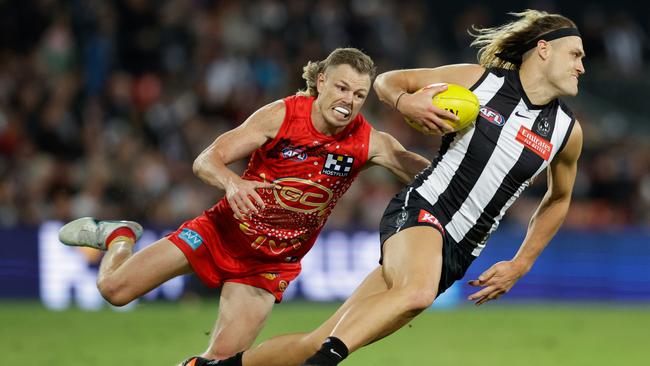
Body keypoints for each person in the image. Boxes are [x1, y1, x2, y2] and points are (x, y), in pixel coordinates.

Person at [205, 9, 585, 366]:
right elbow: (389, 81)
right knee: (416, 295)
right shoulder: (479, 81)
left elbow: (559, 198)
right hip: (423, 209)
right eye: (575, 55)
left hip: (460, 250)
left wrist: (521, 264)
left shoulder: (567, 134)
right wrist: (407, 102)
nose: (581, 67)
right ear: (544, 49)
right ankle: (328, 361)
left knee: (316, 340)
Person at [57, 47, 441, 364]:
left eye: (358, 95)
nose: (348, 102)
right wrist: (233, 183)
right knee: (113, 289)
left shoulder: (368, 142)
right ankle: (121, 236)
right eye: (342, 88)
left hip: (268, 265)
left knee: (218, 363)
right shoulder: (282, 115)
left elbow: (428, 174)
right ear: (321, 81)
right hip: (221, 233)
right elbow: (207, 159)